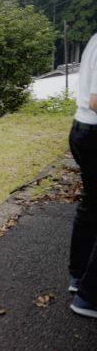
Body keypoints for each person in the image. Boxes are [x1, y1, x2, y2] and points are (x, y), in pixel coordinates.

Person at [69, 31, 97, 318]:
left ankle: (78, 277)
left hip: (83, 130)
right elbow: (96, 101)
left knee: (91, 206)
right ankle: (89, 297)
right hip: (94, 132)